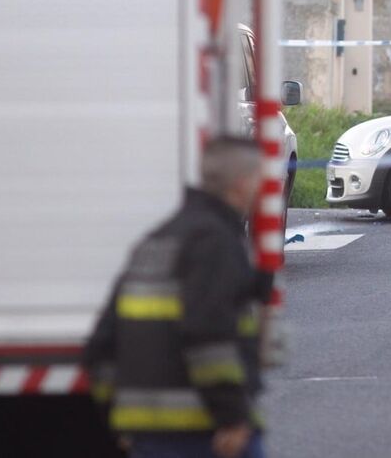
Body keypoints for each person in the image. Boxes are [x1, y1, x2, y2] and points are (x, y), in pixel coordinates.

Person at [84, 137, 272, 458]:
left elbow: (101, 345)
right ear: (242, 184)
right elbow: (208, 337)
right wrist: (232, 418)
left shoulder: (156, 240)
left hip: (148, 438)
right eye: (260, 179)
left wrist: (118, 420)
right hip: (205, 434)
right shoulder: (216, 242)